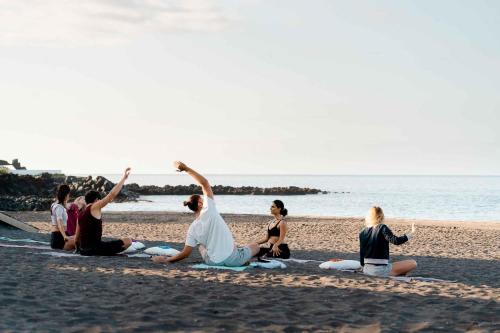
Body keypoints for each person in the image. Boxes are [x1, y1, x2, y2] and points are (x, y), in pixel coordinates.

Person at [152, 161, 260, 266]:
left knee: (200, 246)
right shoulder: (209, 209)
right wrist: (186, 169)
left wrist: (167, 260)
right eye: (202, 199)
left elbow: (185, 253)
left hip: (212, 262)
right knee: (255, 246)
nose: (204, 200)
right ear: (199, 203)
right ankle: (241, 257)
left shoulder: (192, 228)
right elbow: (204, 183)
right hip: (233, 260)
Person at [76, 168, 132, 256]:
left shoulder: (80, 214)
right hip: (95, 249)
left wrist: (77, 249)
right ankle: (111, 253)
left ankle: (110, 252)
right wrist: (124, 178)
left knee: (107, 244)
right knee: (128, 241)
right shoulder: (94, 206)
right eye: (99, 200)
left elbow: (76, 238)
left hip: (83, 250)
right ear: (97, 200)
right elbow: (111, 195)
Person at [359, 206, 417, 277]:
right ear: (381, 216)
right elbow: (396, 241)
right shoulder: (382, 227)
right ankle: (398, 273)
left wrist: (363, 267)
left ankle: (399, 273)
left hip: (367, 269)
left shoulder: (362, 232)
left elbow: (362, 252)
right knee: (413, 263)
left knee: (396, 267)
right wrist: (411, 233)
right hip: (380, 270)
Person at [50, 184, 76, 251]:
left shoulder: (54, 205)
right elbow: (59, 223)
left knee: (80, 237)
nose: (69, 196)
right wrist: (65, 236)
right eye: (68, 194)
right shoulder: (59, 207)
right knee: (80, 242)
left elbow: (66, 206)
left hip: (58, 235)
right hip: (59, 239)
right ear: (66, 195)